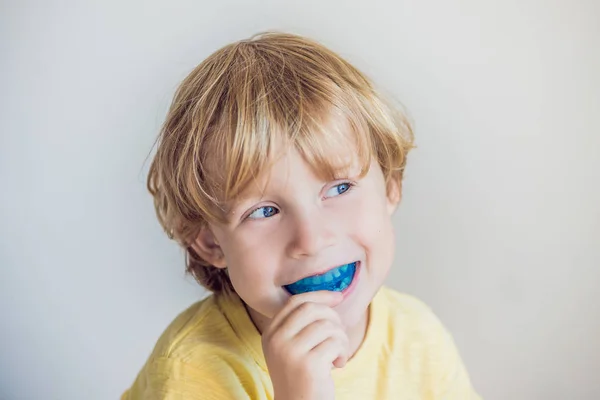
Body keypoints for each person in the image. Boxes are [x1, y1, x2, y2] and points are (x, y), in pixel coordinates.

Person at [122, 31, 481, 399]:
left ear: (390, 187)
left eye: (339, 188)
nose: (311, 239)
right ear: (210, 241)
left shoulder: (418, 337)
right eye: (264, 211)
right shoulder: (191, 370)